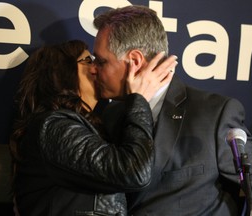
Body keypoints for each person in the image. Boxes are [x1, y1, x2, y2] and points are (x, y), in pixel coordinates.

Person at [92, 5, 252, 215]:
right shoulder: (109, 116)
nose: (93, 68)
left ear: (135, 61)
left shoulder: (213, 115)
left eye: (101, 61)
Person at [9, 40, 177, 216]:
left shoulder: (76, 125)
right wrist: (139, 99)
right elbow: (134, 172)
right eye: (88, 61)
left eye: (99, 62)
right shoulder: (53, 127)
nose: (96, 69)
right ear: (60, 72)